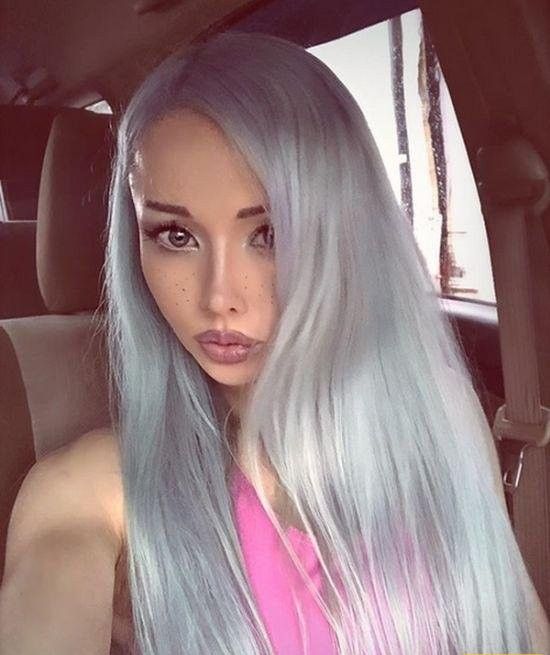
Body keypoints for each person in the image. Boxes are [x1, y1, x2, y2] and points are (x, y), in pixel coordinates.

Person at [1, 30, 548, 655]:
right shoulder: (98, 491)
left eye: (271, 233)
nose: (220, 297)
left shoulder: (439, 414)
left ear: (344, 232)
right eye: (176, 236)